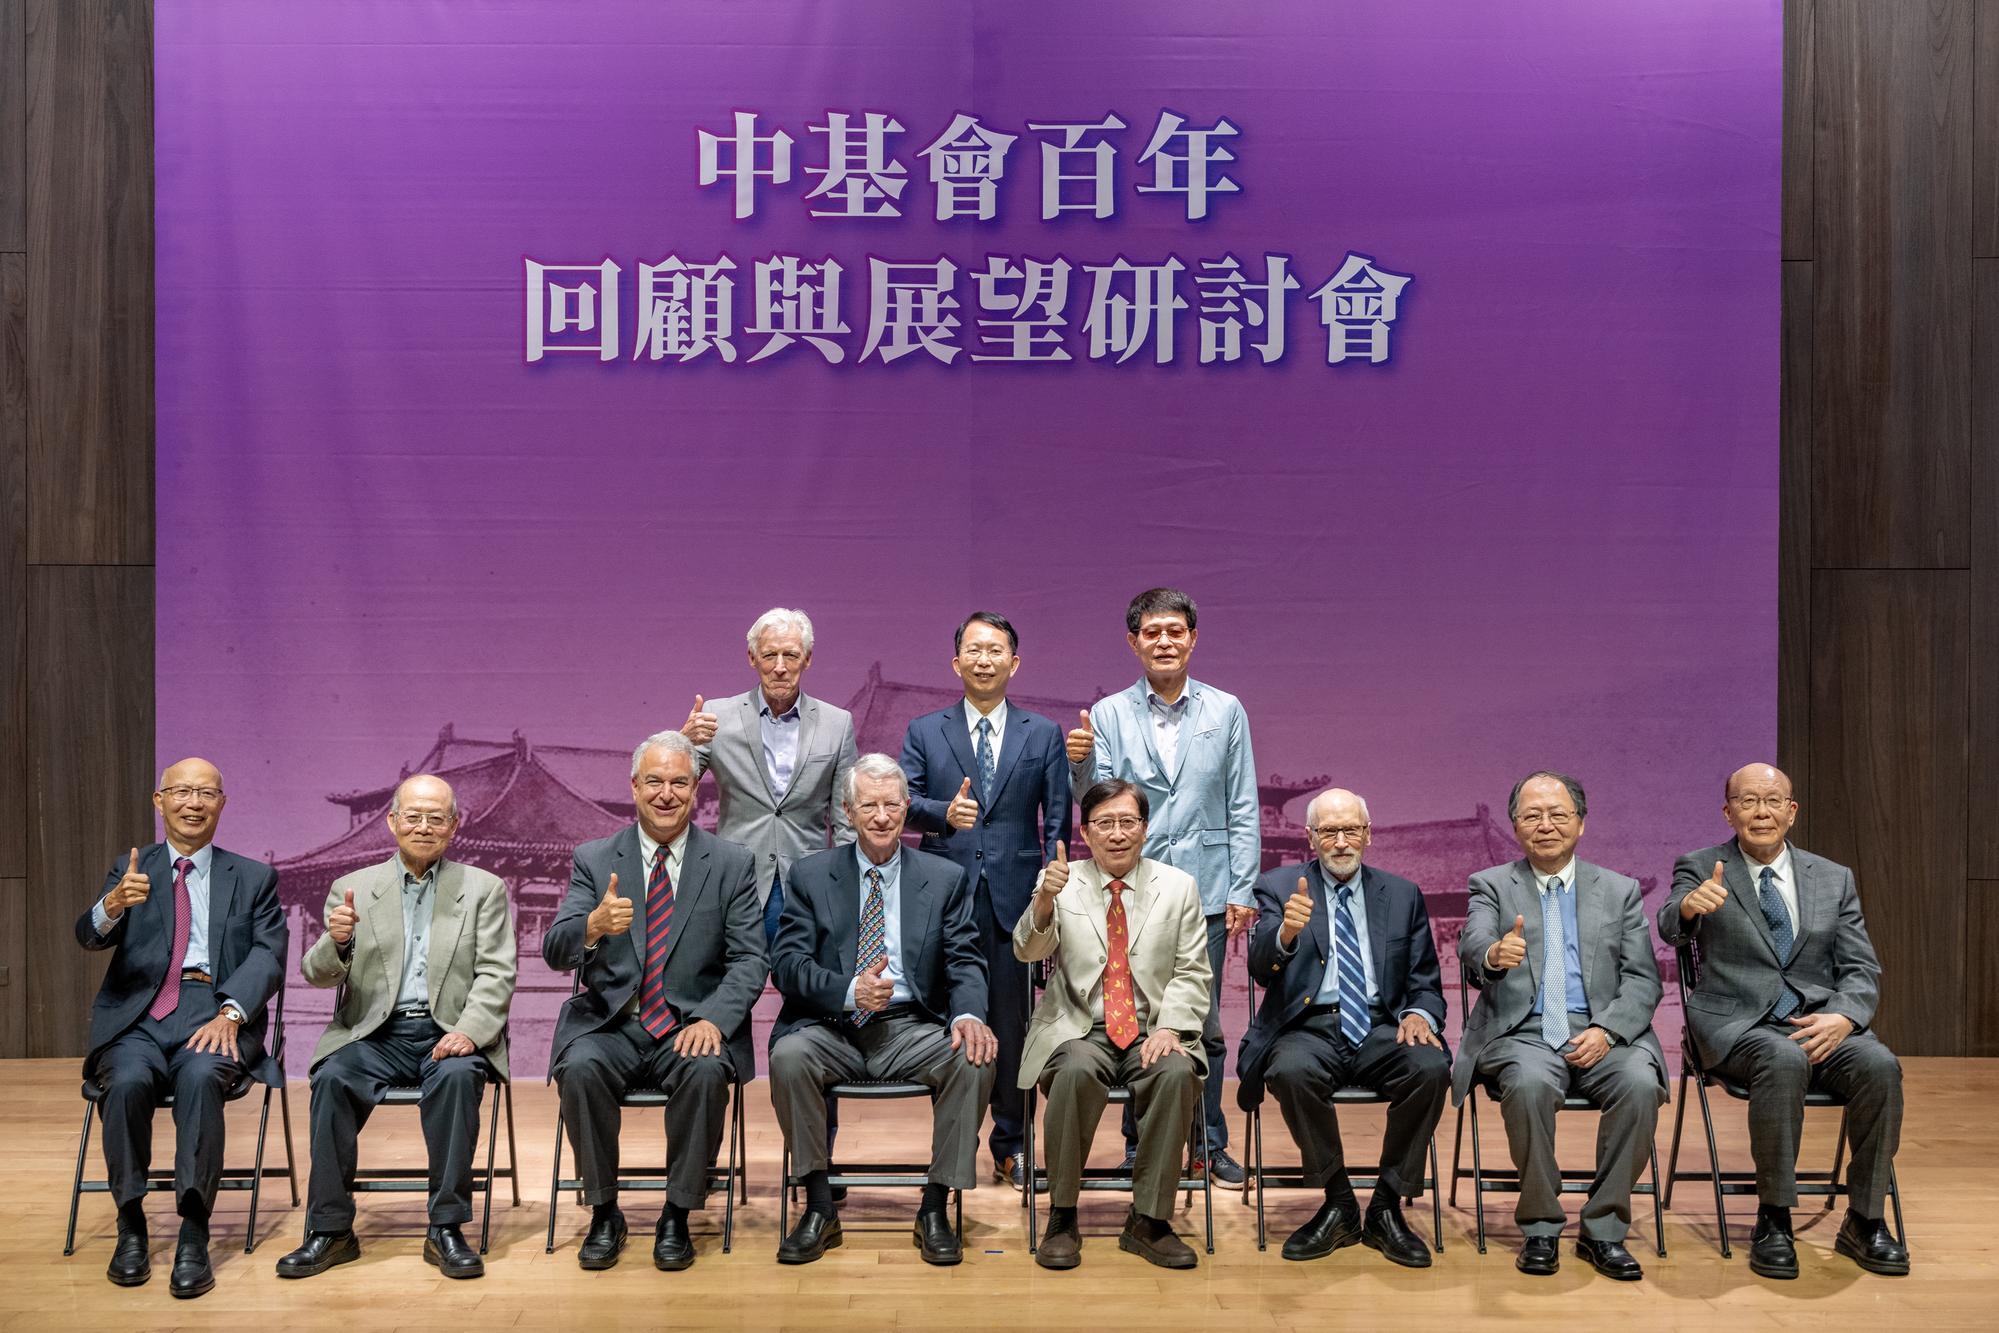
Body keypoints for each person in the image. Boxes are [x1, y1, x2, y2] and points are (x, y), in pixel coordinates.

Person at [1659, 762, 1908, 1278]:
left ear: (1791, 812)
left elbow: (1861, 966)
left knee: (1880, 1066)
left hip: (1818, 1023)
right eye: (1747, 801)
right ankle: (1773, 1216)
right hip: (1737, 1026)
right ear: (1728, 812)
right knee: (1782, 1058)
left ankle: (1864, 1218)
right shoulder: (1701, 864)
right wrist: (1689, 907)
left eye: (1773, 801)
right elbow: (1668, 925)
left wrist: (1843, 1015)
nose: (1761, 812)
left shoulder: (1833, 877)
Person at [277, 774, 517, 1280]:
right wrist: (335, 943)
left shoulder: (483, 889)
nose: (424, 826)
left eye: (437, 817)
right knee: (333, 1078)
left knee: (457, 1078)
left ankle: (446, 1227)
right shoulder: (354, 889)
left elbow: (497, 972)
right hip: (373, 1033)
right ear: (391, 822)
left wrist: (470, 1031)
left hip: (448, 1030)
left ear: (455, 825)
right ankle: (331, 1229)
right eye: (413, 816)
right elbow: (316, 974)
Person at [543, 731, 767, 1271]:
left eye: (679, 783)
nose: (666, 794)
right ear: (634, 787)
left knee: (708, 1070)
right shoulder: (595, 860)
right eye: (654, 782)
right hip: (613, 1024)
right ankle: (604, 1212)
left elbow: (750, 959)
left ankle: (677, 1213)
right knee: (579, 1067)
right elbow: (555, 949)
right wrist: (593, 926)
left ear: (697, 790)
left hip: (689, 1024)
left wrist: (715, 1018)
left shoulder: (731, 862)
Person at [766, 754, 996, 1266]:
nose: (881, 816)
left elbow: (964, 959)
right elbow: (787, 966)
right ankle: (819, 1206)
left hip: (910, 1027)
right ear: (847, 811)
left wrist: (967, 1016)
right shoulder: (810, 875)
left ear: (907, 807)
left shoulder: (942, 877)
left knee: (973, 1055)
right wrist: (848, 990)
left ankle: (936, 1204)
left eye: (892, 804)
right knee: (789, 1058)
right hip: (831, 1025)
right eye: (868, 804)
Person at [75, 758, 287, 1299]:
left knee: (198, 1081)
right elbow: (89, 936)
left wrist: (232, 1012)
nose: (194, 803)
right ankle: (131, 1226)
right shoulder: (133, 869)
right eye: (182, 791)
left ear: (222, 803)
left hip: (214, 1010)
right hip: (139, 1017)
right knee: (123, 1084)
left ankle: (194, 1231)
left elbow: (268, 954)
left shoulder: (253, 876)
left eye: (206, 793)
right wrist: (112, 905)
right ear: (159, 800)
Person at [1066, 587, 1257, 1186]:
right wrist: (1078, 763)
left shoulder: (1226, 711)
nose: (1164, 641)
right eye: (1152, 632)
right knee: (1135, 1009)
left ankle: (1208, 1143)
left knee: (1206, 1024)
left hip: (1206, 883)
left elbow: (1244, 804)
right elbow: (1092, 803)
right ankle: (1141, 1146)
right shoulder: (1108, 714)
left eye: (1175, 630)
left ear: (1193, 638)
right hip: (1133, 886)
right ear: (1134, 642)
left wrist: (1243, 886)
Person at [1453, 770, 1667, 1280]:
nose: (1545, 825)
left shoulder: (1619, 891)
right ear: (1515, 825)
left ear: (1580, 824)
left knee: (1640, 1084)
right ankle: (1542, 1226)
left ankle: (1603, 1230)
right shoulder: (1491, 884)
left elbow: (1643, 979)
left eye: (1557, 814)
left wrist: (1609, 1032)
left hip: (1603, 1029)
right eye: (1531, 816)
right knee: (1527, 1085)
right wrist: (1494, 954)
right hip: (1522, 1030)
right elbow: (1473, 941)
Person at [1238, 787, 1446, 1267]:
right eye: (1328, 831)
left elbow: (1425, 982)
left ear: (1368, 834)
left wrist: (1420, 1014)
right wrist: (1285, 934)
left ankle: (1387, 1205)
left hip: (1380, 1026)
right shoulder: (1279, 884)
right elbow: (1259, 967)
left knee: (1430, 1067)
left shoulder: (1402, 894)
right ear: (1310, 838)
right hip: (1307, 1025)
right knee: (1290, 1071)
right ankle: (1338, 1201)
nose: (1340, 841)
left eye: (1350, 829)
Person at [899, 611, 1070, 1189]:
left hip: (1015, 902)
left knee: (1012, 1025)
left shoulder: (1042, 734)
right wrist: (942, 812)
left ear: (1014, 663)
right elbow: (904, 799)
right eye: (973, 650)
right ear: (956, 663)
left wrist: (1049, 887)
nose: (984, 659)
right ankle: (953, 1145)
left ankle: (1012, 1143)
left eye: (995, 650)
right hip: (942, 896)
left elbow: (1056, 824)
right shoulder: (925, 731)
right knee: (949, 1024)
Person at [1015, 779, 1211, 1271]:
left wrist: (1171, 1028)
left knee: (1174, 1072)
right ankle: (1061, 1213)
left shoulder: (1178, 886)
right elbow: (1027, 951)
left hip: (1153, 1028)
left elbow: (1192, 971)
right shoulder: (1061, 879)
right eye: (1105, 823)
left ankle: (1149, 1220)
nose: (1117, 833)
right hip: (1080, 1029)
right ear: (1086, 831)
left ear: (1145, 829)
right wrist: (1043, 902)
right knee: (1076, 1071)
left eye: (1128, 822)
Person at [680, 606, 857, 943]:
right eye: (769, 655)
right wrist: (682, 741)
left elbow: (845, 820)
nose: (779, 667)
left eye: (790, 655)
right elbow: (674, 782)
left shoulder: (838, 724)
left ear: (807, 659)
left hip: (809, 884)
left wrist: (844, 886)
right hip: (733, 881)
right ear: (751, 657)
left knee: (807, 990)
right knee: (728, 990)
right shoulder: (717, 715)